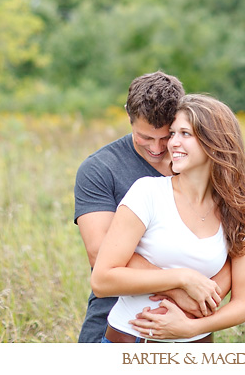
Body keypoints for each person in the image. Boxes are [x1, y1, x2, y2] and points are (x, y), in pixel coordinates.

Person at [74, 72, 231, 343]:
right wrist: (180, 287)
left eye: (166, 135)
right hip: (116, 322)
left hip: (188, 330)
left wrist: (199, 308)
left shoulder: (200, 166)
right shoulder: (100, 169)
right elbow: (99, 253)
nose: (158, 148)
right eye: (145, 137)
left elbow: (229, 250)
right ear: (128, 116)